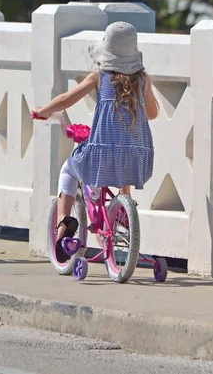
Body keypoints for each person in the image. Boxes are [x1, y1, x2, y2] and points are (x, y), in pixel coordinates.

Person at [32, 22, 159, 264]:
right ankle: (123, 209)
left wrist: (44, 111)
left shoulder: (99, 77)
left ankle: (64, 221)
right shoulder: (143, 80)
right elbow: (152, 114)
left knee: (69, 170)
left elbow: (66, 100)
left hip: (101, 155)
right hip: (138, 157)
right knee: (124, 159)